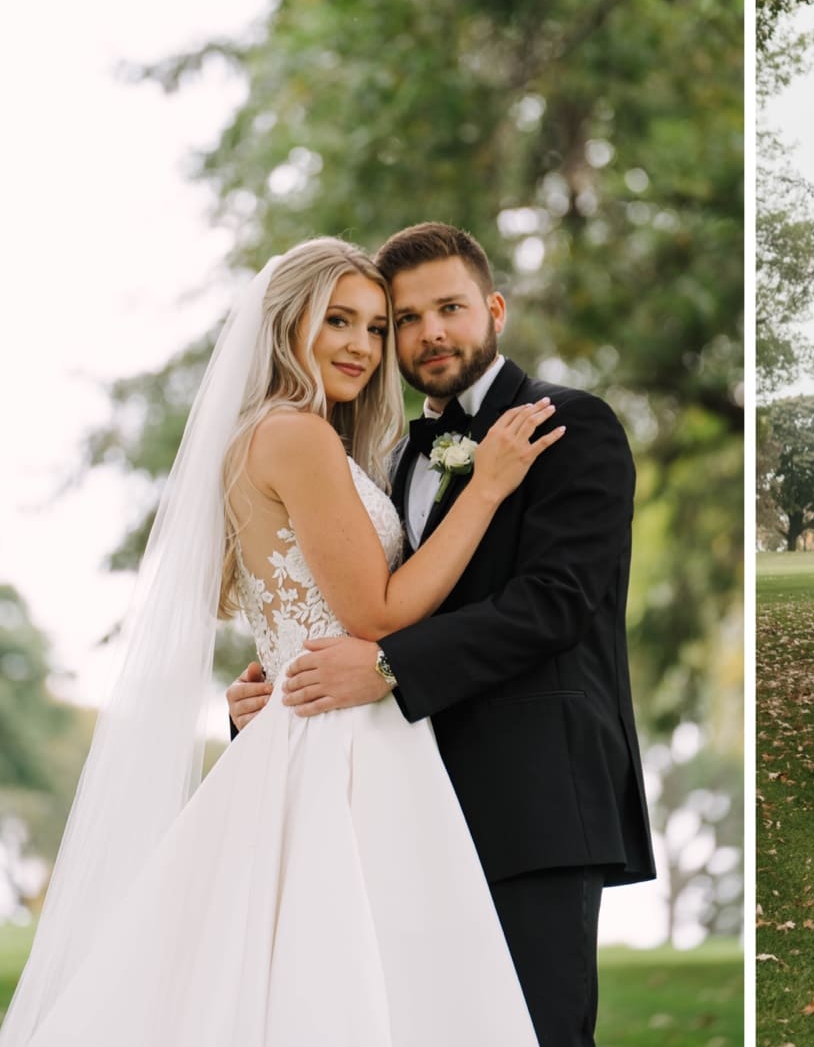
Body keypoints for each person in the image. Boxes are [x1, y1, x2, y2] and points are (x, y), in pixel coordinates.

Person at [0, 238, 561, 1045]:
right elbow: (374, 614)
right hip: (343, 740)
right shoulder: (296, 435)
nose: (362, 346)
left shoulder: (284, 436)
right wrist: (489, 488)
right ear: (287, 322)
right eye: (338, 320)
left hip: (316, 726)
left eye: (376, 328)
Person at [227, 222, 655, 1047]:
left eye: (450, 308)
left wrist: (387, 666)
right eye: (405, 319)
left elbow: (557, 603)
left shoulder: (571, 424)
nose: (429, 333)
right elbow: (342, 596)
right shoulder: (388, 460)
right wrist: (277, 690)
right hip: (404, 800)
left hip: (533, 799)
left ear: (493, 310)